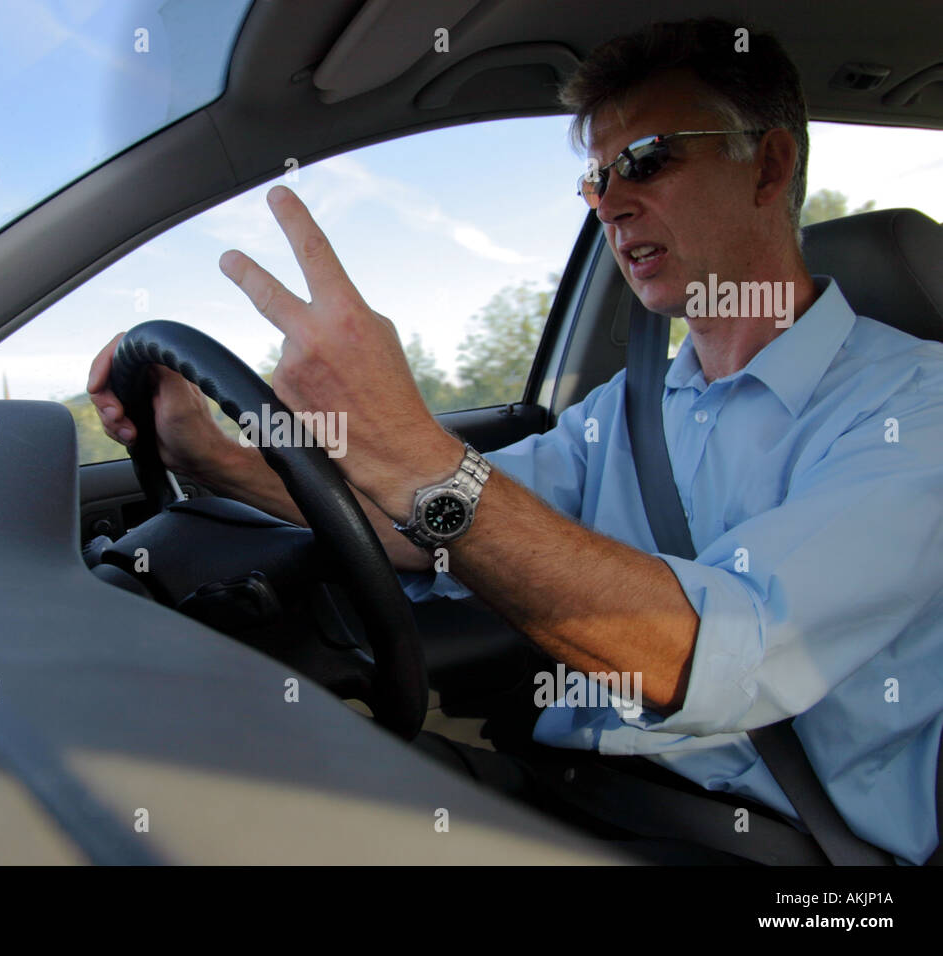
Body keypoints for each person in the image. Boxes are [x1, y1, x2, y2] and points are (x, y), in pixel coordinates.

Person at [86, 18, 943, 864]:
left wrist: (416, 452)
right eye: (596, 180)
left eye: (645, 159)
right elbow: (432, 528)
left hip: (782, 852)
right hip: (581, 786)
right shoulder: (627, 410)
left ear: (769, 165)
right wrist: (212, 457)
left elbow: (727, 656)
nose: (609, 202)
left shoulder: (914, 408)